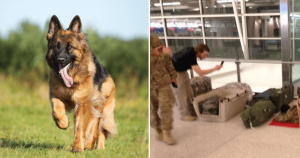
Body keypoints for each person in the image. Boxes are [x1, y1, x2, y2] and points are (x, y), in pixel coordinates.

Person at [171, 43, 223, 121]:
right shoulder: (191, 54)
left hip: (182, 71)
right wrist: (214, 69)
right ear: (199, 52)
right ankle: (184, 114)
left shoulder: (192, 51)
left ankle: (192, 111)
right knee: (181, 94)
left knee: (189, 92)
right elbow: (200, 73)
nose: (205, 57)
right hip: (174, 73)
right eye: (204, 54)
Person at [150, 35, 177, 145]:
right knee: (152, 110)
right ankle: (158, 130)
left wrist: (173, 76)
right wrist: (156, 54)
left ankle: (167, 133)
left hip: (163, 83)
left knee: (166, 106)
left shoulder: (156, 40)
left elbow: (168, 62)